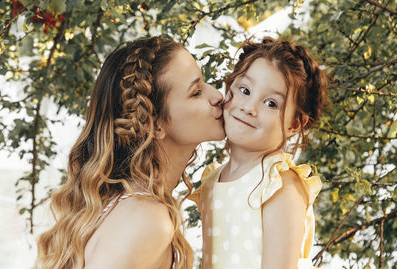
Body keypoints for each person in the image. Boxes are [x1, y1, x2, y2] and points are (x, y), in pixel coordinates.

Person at [35, 36, 225, 269]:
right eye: (196, 92)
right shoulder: (147, 219)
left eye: (204, 83)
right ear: (153, 125)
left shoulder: (129, 204)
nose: (217, 96)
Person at [190, 37, 328, 269]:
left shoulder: (278, 185)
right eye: (244, 90)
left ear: (295, 124)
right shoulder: (212, 180)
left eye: (271, 103)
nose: (249, 107)